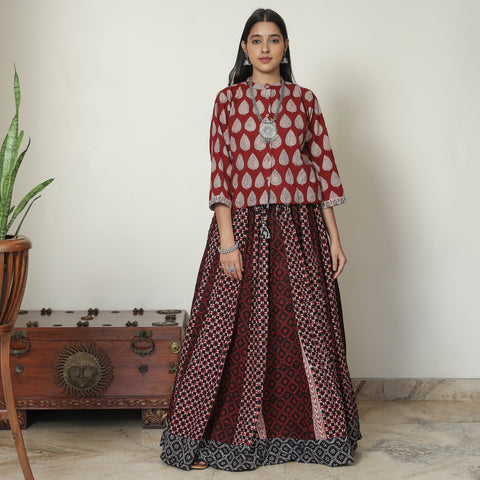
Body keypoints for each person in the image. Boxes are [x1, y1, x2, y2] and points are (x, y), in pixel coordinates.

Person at [160, 8, 361, 471]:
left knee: (305, 331)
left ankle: (316, 438)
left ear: (285, 47)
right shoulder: (227, 101)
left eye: (273, 39)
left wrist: (334, 238)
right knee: (225, 333)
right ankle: (205, 441)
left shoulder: (305, 101)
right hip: (242, 229)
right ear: (245, 47)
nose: (265, 48)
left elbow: (324, 171)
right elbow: (222, 173)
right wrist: (227, 242)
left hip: (300, 229)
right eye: (256, 40)